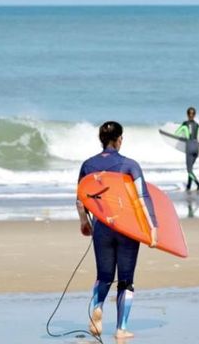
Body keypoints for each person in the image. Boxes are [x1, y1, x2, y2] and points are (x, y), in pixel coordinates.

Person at [76, 121, 158, 339]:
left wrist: (85, 222)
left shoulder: (87, 165)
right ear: (119, 139)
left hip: (102, 227)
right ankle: (121, 328)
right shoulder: (130, 165)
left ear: (101, 140)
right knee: (125, 280)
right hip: (127, 229)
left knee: (103, 276)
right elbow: (143, 198)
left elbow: (81, 199)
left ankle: (97, 308)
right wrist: (153, 228)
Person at [176, 107, 199, 191]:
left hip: (189, 146)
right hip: (197, 147)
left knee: (189, 170)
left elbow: (177, 132)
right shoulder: (197, 125)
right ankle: (189, 186)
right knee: (191, 168)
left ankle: (198, 183)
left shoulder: (185, 124)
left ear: (187, 114)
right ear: (194, 115)